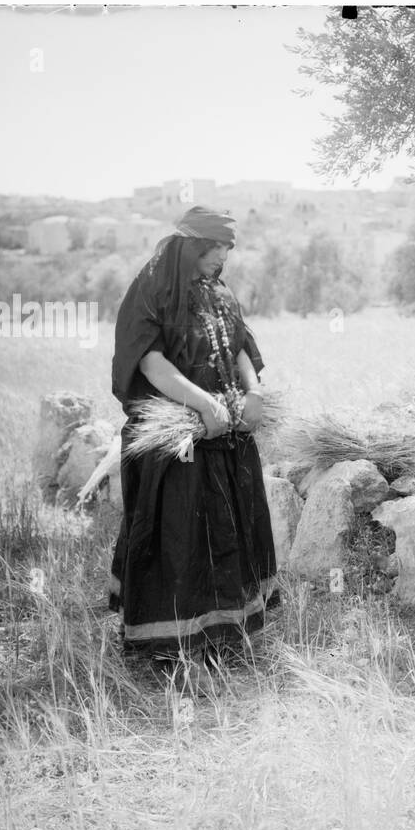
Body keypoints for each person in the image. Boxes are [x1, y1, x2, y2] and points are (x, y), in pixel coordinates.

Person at [108, 206, 277, 670]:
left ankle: (226, 636)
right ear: (192, 244)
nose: (223, 257)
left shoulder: (219, 291)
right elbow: (149, 362)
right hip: (179, 439)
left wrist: (254, 393)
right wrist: (204, 405)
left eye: (228, 249)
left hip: (228, 433)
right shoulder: (152, 290)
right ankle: (171, 646)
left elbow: (240, 345)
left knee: (231, 529)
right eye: (217, 247)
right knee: (180, 534)